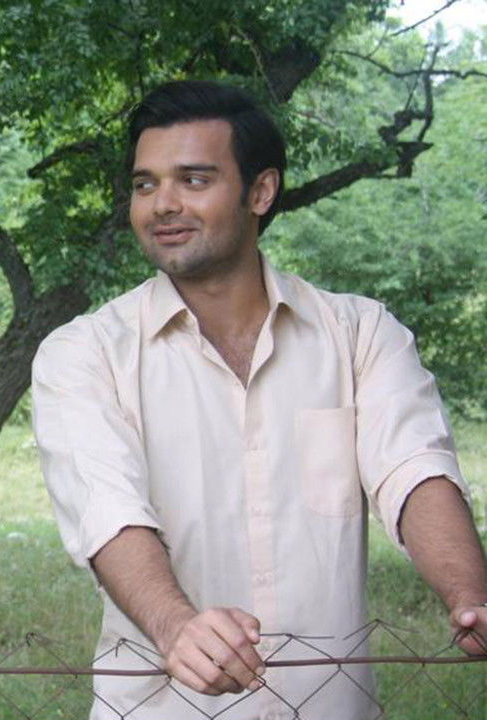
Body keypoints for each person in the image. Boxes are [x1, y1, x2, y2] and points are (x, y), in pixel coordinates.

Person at [31, 81, 487, 719]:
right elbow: (106, 510)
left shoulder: (360, 333)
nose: (162, 204)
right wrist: (176, 627)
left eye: (194, 180)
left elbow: (414, 471)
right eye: (144, 184)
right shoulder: (83, 353)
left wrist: (471, 597)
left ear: (261, 191)